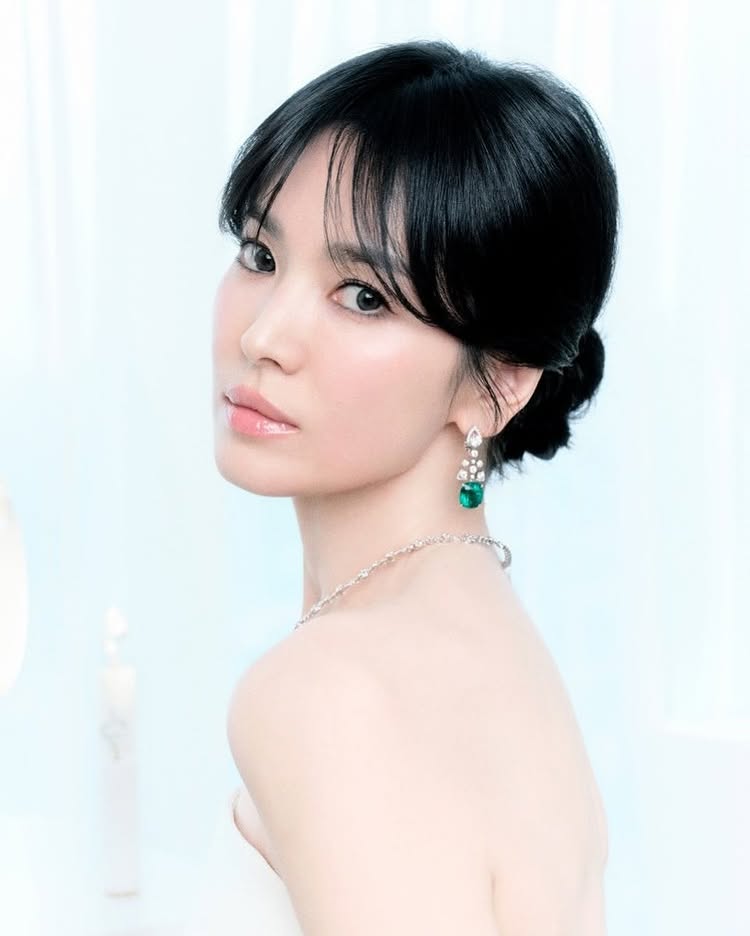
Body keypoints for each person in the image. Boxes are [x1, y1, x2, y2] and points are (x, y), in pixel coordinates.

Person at [197, 38, 618, 936]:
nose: (264, 337)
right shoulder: (498, 645)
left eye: (364, 297)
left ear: (497, 383)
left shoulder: (327, 689)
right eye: (260, 254)